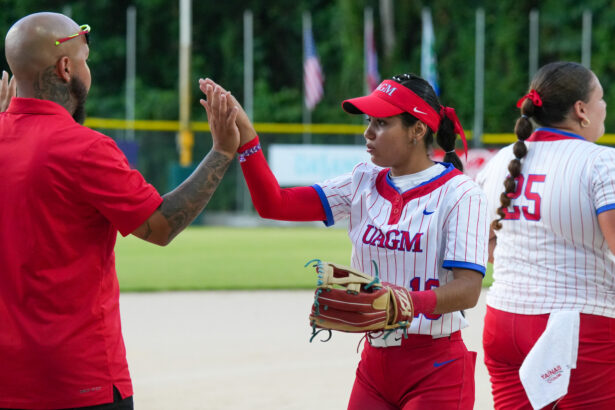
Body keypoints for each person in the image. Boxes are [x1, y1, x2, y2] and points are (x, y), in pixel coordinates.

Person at [202, 74, 489, 409]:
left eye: (382, 123)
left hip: (436, 368)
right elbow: (274, 204)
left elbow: (468, 290)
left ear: (418, 130)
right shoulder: (362, 182)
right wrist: (247, 139)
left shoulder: (460, 194)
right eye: (369, 121)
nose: (368, 132)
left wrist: (404, 302)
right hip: (374, 367)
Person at [0, 12, 239, 409]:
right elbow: (160, 226)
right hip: (76, 381)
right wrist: (222, 152)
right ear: (64, 68)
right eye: (84, 61)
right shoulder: (84, 149)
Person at [476, 61, 615, 409]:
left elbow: (487, 247)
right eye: (601, 98)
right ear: (581, 110)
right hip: (577, 325)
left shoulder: (499, 162)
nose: (605, 106)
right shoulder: (600, 163)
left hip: (503, 319)